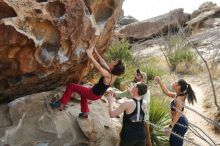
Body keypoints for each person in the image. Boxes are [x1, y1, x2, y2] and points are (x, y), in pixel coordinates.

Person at [51, 46, 125, 118]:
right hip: (96, 94)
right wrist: (95, 52)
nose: (113, 60)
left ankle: (61, 104)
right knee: (84, 94)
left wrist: (90, 55)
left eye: (115, 61)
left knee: (71, 86)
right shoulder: (113, 74)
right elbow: (102, 63)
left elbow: (99, 66)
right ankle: (85, 112)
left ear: (114, 67)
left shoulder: (108, 75)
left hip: (93, 94)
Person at [112, 69, 152, 146]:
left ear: (143, 78)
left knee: (147, 138)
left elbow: (145, 103)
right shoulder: (133, 88)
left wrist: (132, 94)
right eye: (136, 74)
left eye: (138, 75)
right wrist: (109, 92)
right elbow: (119, 94)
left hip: (143, 119)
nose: (135, 76)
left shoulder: (146, 92)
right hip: (131, 122)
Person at [154, 76, 196, 146]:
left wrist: (170, 127)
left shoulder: (179, 99)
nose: (173, 83)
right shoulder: (177, 95)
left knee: (175, 144)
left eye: (175, 83)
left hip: (180, 123)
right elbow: (166, 92)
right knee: (173, 142)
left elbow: (177, 115)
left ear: (179, 87)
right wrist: (160, 82)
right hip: (178, 122)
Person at [107, 82, 148, 146]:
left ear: (136, 89)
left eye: (134, 86)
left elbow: (112, 114)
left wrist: (110, 103)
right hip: (141, 136)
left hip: (129, 137)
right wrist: (131, 92)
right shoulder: (144, 103)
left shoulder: (127, 103)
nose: (132, 86)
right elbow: (136, 102)